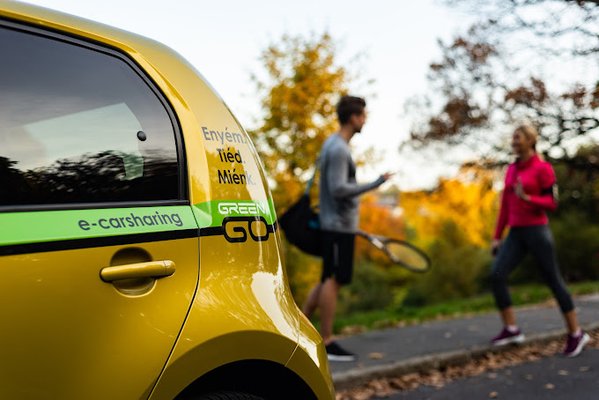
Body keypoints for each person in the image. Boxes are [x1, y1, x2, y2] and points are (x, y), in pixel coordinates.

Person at [302, 95, 392, 362]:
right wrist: (375, 183)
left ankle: (299, 331)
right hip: (338, 226)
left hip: (337, 224)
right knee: (334, 279)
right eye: (363, 115)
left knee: (326, 278)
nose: (365, 120)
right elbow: (338, 189)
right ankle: (327, 341)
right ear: (353, 117)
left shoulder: (331, 144)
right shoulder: (339, 149)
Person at [490, 124, 589, 357]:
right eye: (513, 138)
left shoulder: (543, 169)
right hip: (515, 233)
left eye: (518, 138)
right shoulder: (511, 169)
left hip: (537, 231)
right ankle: (511, 329)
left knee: (553, 280)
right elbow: (505, 205)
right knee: (496, 275)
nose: (514, 142)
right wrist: (497, 236)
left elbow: (552, 203)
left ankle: (576, 333)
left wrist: (528, 198)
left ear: (530, 141)